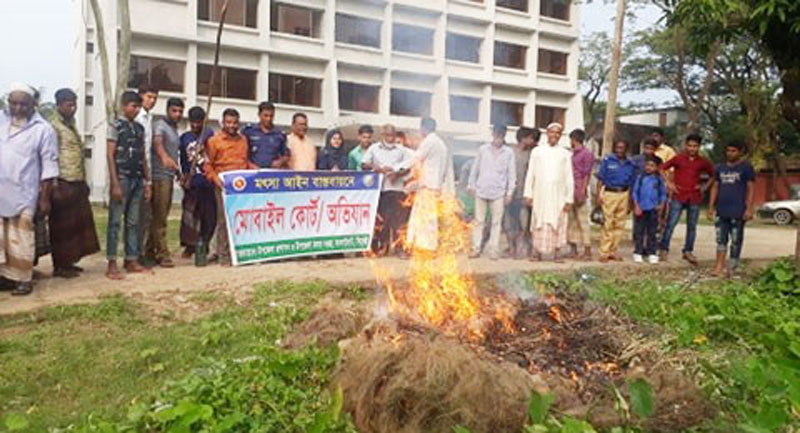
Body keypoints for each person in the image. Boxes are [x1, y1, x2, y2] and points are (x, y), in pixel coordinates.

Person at [0, 83, 59, 295]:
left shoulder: (43, 129)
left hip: (25, 192)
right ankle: (5, 277)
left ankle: (24, 279)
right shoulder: (1, 119)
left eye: (22, 104)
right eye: (13, 103)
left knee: (21, 238)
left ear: (33, 104)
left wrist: (45, 198)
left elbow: (49, 166)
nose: (17, 108)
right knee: (2, 239)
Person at [47, 88, 100, 279]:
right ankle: (59, 265)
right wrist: (53, 184)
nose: (74, 108)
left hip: (76, 180)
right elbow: (50, 157)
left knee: (75, 226)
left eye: (75, 104)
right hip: (62, 182)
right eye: (69, 104)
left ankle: (69, 262)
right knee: (61, 226)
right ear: (59, 105)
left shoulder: (72, 124)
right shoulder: (53, 126)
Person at [106, 91, 152, 280]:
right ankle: (111, 262)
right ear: (124, 106)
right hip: (122, 178)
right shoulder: (115, 125)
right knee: (115, 221)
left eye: (138, 107)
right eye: (133, 106)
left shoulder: (140, 129)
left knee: (133, 222)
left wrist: (148, 182)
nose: (136, 110)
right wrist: (115, 183)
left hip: (137, 178)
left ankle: (131, 259)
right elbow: (110, 155)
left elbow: (143, 156)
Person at [205, 108, 257, 266]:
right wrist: (216, 180)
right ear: (223, 122)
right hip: (224, 186)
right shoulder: (214, 141)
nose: (232, 125)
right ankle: (224, 255)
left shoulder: (243, 140)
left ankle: (241, 253)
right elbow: (208, 165)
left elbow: (245, 161)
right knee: (224, 221)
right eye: (229, 122)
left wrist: (256, 170)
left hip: (242, 187)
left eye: (235, 122)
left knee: (241, 220)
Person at [659, 134, 715, 265]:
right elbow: (662, 168)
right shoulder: (679, 158)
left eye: (695, 146)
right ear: (686, 145)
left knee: (692, 226)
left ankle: (688, 251)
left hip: (694, 197)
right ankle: (663, 249)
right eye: (689, 145)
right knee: (670, 224)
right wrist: (669, 183)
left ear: (699, 147)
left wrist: (704, 187)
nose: (692, 148)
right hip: (678, 195)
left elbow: (713, 175)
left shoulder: (703, 161)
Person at [523, 123, 573, 262]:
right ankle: (536, 253)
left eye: (558, 133)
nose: (554, 135)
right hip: (540, 194)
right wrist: (528, 193)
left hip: (558, 196)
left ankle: (557, 253)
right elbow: (530, 173)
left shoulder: (565, 153)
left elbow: (569, 177)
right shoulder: (537, 151)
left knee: (558, 223)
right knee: (539, 221)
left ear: (560, 135)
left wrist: (569, 199)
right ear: (547, 133)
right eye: (552, 132)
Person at [404, 118, 454, 252]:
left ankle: (427, 247)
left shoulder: (429, 141)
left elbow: (416, 159)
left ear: (423, 129)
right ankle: (422, 245)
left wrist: (396, 168)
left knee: (426, 218)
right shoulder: (441, 143)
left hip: (429, 186)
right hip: (434, 186)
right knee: (427, 217)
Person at [145, 97, 184, 268]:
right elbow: (157, 143)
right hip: (159, 176)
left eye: (180, 111)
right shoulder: (160, 125)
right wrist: (164, 157)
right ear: (167, 110)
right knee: (160, 217)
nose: (177, 114)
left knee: (158, 216)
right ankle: (162, 254)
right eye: (174, 111)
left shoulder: (173, 129)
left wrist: (177, 171)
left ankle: (149, 252)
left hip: (168, 175)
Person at [467, 124, 516, 260]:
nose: (498, 138)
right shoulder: (483, 150)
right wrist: (471, 185)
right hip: (481, 189)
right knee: (479, 221)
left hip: (499, 192)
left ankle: (493, 250)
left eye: (501, 135)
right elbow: (475, 169)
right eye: (496, 134)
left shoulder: (508, 152)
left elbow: (511, 174)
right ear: (493, 134)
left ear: (504, 136)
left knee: (496, 222)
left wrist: (509, 193)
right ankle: (475, 248)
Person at [363, 124, 412, 256]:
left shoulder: (402, 150)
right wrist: (377, 168)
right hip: (381, 190)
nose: (390, 138)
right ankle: (382, 248)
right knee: (383, 220)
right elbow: (364, 164)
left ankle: (399, 248)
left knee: (399, 221)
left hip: (397, 189)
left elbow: (410, 165)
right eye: (388, 135)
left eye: (392, 135)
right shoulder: (374, 149)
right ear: (382, 135)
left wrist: (397, 173)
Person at [707, 141, 755, 276]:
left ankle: (732, 267)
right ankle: (719, 266)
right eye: (728, 150)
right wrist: (711, 207)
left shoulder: (746, 168)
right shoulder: (720, 168)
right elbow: (715, 186)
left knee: (736, 240)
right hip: (722, 210)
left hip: (738, 210)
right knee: (721, 239)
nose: (730, 153)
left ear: (740, 152)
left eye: (733, 151)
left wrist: (749, 208)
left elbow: (751, 188)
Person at [179, 107, 217, 263]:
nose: (195, 125)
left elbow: (210, 135)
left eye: (198, 122)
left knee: (209, 216)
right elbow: (182, 159)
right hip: (192, 182)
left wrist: (204, 136)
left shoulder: (209, 135)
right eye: (193, 122)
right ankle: (190, 245)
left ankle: (205, 243)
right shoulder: (185, 138)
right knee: (190, 215)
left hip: (207, 182)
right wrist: (184, 176)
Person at [595, 140, 636, 262]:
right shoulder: (608, 161)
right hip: (609, 193)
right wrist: (598, 195)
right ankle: (604, 252)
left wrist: (631, 200)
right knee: (608, 222)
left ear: (626, 149)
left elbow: (632, 182)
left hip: (624, 193)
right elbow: (600, 179)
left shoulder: (630, 164)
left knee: (620, 223)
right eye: (618, 147)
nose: (620, 150)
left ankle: (613, 250)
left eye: (622, 148)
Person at [503, 126, 539, 259]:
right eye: (530, 138)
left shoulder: (532, 154)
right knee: (508, 224)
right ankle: (511, 248)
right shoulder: (510, 152)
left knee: (524, 225)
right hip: (509, 194)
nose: (533, 140)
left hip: (524, 195)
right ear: (523, 138)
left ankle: (526, 249)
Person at [135, 85, 159, 264]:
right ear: (141, 96)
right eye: (149, 96)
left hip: (146, 172)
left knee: (146, 216)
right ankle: (134, 255)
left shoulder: (149, 118)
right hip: (135, 172)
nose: (152, 100)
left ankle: (141, 253)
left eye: (155, 97)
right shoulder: (137, 117)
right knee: (136, 217)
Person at [632, 156, 667, 264]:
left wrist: (661, 204)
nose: (649, 168)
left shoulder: (659, 179)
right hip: (641, 209)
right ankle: (638, 251)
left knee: (652, 232)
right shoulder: (640, 178)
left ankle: (652, 252)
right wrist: (637, 205)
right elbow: (635, 192)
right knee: (640, 231)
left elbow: (663, 193)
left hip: (653, 209)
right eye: (647, 165)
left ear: (657, 167)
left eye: (652, 166)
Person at [567, 128, 594, 260]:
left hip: (579, 190)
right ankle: (573, 249)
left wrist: (582, 192)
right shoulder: (572, 154)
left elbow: (586, 175)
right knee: (571, 222)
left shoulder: (586, 154)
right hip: (570, 190)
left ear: (574, 140)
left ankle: (587, 251)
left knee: (583, 221)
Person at [244, 101, 289, 169]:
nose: (268, 119)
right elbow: (241, 152)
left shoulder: (279, 134)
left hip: (272, 174)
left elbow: (286, 154)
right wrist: (250, 164)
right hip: (253, 172)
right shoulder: (249, 131)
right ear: (259, 114)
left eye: (271, 116)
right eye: (266, 115)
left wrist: (280, 161)